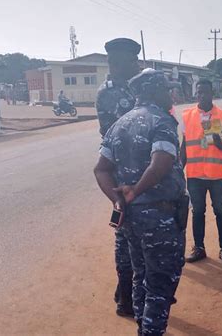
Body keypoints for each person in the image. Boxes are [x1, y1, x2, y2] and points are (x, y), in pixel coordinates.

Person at [94, 69, 185, 336]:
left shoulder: (118, 125)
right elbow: (162, 161)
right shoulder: (162, 121)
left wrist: (118, 201)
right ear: (153, 91)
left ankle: (142, 329)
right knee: (160, 284)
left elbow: (101, 169)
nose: (171, 94)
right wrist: (135, 191)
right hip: (160, 219)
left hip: (131, 220)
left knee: (140, 277)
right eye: (167, 89)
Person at [95, 37, 141, 317]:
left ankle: (126, 289)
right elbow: (125, 132)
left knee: (134, 233)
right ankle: (126, 298)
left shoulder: (132, 87)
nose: (135, 64)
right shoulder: (110, 92)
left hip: (135, 171)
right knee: (124, 233)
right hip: (122, 172)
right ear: (116, 62)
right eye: (130, 60)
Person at [181, 79, 222, 264]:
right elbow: (183, 147)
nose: (202, 95)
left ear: (213, 93)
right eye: (199, 92)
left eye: (205, 92)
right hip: (195, 175)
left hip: (217, 175)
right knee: (197, 212)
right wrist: (179, 170)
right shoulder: (187, 116)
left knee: (220, 211)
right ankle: (199, 248)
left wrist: (219, 142)